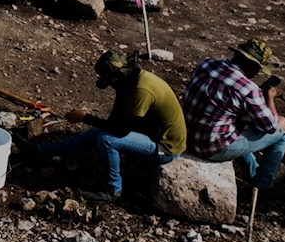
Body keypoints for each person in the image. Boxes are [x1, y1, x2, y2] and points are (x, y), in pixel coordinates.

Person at [29, 50, 185, 204]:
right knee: (97, 132)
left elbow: (120, 130)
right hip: (147, 132)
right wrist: (98, 154)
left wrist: (85, 118)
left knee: (107, 140)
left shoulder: (141, 91)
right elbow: (114, 119)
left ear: (118, 76)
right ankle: (41, 152)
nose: (111, 86)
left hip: (165, 147)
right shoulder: (127, 81)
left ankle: (112, 190)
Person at [183, 38, 285, 190]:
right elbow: (270, 128)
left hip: (186, 136)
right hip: (210, 148)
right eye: (257, 69)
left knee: (236, 124)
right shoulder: (248, 89)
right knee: (284, 127)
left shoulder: (207, 63)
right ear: (251, 65)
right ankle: (264, 184)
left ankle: (253, 170)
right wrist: (270, 98)